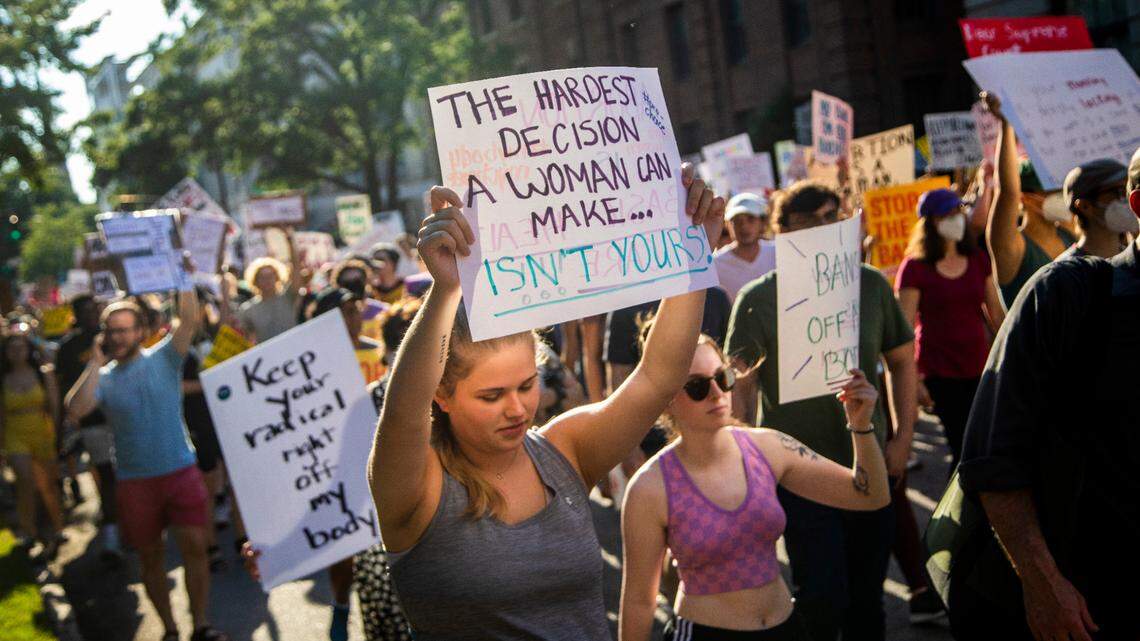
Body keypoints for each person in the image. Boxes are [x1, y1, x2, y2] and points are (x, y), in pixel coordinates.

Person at [369, 165, 723, 640]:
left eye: (526, 385)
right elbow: (403, 413)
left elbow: (658, 377)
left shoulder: (565, 450)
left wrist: (694, 255)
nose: (517, 409)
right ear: (442, 394)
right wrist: (446, 290)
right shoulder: (416, 484)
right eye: (491, 396)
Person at [950, 147, 1140, 641]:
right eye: (1110, 195)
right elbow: (994, 457)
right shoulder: (1065, 294)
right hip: (1094, 601)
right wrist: (1042, 582)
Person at [726, 181, 917, 641]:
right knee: (821, 596)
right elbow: (743, 392)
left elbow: (901, 362)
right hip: (799, 474)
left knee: (867, 599)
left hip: (867, 463)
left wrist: (902, 439)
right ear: (784, 232)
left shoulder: (870, 284)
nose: (823, 230)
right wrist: (747, 467)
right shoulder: (757, 299)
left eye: (833, 218)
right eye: (809, 222)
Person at [620, 332, 890, 641]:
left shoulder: (768, 447)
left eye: (723, 377)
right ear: (666, 398)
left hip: (786, 629)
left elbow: (871, 496)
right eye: (696, 387)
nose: (716, 393)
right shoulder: (650, 487)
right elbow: (639, 602)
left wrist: (860, 424)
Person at [65, 285, 229, 641]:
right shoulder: (104, 379)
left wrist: (181, 278)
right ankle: (170, 629)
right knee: (151, 559)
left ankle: (199, 624)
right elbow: (76, 409)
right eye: (112, 330)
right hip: (136, 482)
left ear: (140, 331)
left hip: (181, 471)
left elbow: (188, 320)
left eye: (125, 329)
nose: (118, 336)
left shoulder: (165, 358)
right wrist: (95, 361)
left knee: (194, 548)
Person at [895, 188, 1004, 469]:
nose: (958, 219)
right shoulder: (914, 268)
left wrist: (1010, 355)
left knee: (983, 444)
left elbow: (996, 314)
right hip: (939, 373)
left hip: (980, 369)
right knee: (963, 447)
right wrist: (914, 381)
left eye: (959, 212)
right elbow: (904, 331)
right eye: (949, 214)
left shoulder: (978, 259)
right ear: (931, 222)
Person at [982, 92, 1079, 308]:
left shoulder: (1068, 234)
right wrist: (1007, 124)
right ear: (1025, 198)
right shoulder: (1011, 246)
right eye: (1051, 193)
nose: (1062, 198)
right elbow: (1007, 192)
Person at [54, 294, 121, 557]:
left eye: (95, 310)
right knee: (107, 475)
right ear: (75, 315)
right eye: (85, 311)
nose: (91, 315)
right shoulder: (68, 348)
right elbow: (64, 392)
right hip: (93, 422)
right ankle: (112, 530)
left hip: (121, 417)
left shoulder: (115, 337)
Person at [1, 330, 66, 555]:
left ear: (29, 350)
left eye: (21, 347)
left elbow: (54, 404)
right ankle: (29, 531)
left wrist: (57, 433)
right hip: (15, 434)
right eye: (12, 348)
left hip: (42, 432)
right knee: (25, 483)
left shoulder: (42, 373)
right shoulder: (4, 379)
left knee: (48, 483)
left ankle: (57, 527)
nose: (17, 352)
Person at [238, 228, 304, 342]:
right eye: (262, 277)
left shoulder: (288, 297)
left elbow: (296, 268)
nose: (267, 280)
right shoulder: (247, 310)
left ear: (277, 278)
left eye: (270, 276)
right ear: (255, 281)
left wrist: (290, 241)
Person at [1060, 158, 1133, 260]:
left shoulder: (1133, 260)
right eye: (1121, 191)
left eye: (1130, 188)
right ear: (1085, 206)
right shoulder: (1065, 272)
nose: (1129, 198)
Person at [713, 192, 777, 300]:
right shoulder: (715, 264)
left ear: (762, 222)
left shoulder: (778, 253)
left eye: (750, 219)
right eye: (736, 221)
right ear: (728, 225)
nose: (744, 226)